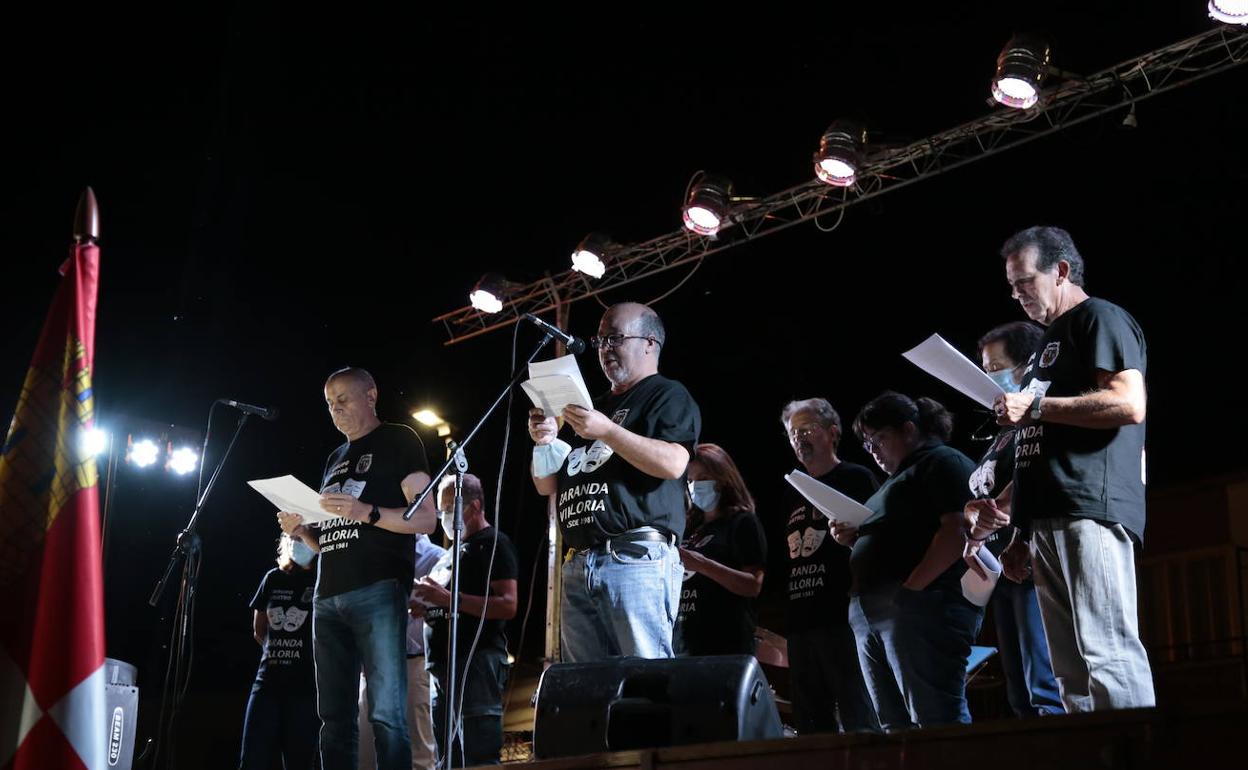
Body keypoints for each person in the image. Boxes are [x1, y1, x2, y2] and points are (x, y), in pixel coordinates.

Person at [977, 225, 1154, 712]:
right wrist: (1017, 530)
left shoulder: (1100, 317)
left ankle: (1142, 752)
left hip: (1088, 508)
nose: (1016, 295)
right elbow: (1041, 446)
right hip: (1045, 523)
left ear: (1060, 271)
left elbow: (1128, 402)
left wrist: (1034, 408)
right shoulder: (1043, 348)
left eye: (1025, 282)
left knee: (1107, 656)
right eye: (1011, 286)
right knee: (1070, 672)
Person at [278, 366, 437, 770]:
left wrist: (366, 511)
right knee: (333, 718)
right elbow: (328, 543)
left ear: (371, 395)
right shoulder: (334, 458)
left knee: (385, 713)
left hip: (378, 588)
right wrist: (301, 532)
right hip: (327, 596)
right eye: (330, 404)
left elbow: (425, 520)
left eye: (343, 400)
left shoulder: (400, 439)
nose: (336, 410)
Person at [528, 302, 700, 661]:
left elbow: (673, 463)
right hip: (578, 563)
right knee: (589, 690)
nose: (604, 348)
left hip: (635, 556)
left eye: (615, 338)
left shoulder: (666, 394)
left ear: (650, 343)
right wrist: (545, 442)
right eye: (600, 340)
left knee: (644, 680)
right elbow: (548, 486)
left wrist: (607, 431)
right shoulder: (593, 406)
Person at [843, 392, 981, 730]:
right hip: (878, 613)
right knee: (894, 726)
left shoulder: (942, 461)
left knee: (936, 721)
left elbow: (958, 531)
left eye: (879, 438)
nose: (873, 449)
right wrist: (854, 540)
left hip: (920, 607)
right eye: (867, 443)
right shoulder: (892, 483)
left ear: (908, 429)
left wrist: (910, 591)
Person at [968, 322, 1063, 718]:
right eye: (984, 369)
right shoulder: (1000, 433)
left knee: (1043, 680)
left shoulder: (1038, 420)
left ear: (1026, 364)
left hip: (1028, 557)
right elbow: (976, 497)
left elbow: (1035, 477)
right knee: (1018, 689)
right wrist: (974, 513)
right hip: (996, 569)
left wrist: (1006, 517)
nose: (989, 378)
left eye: (995, 367)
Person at [778, 398, 880, 734]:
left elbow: (881, 537)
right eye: (793, 434)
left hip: (844, 618)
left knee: (858, 714)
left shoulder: (856, 477)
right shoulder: (794, 491)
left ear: (833, 433)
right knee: (811, 724)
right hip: (802, 622)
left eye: (807, 430)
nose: (799, 439)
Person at [412, 473, 518, 768]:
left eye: (448, 509)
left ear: (472, 507)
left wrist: (448, 599)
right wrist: (425, 604)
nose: (444, 517)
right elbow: (442, 598)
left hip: (477, 665)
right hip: (442, 669)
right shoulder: (449, 555)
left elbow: (508, 605)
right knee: (447, 758)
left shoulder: (493, 543)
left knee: (478, 754)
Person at [358, 533, 445, 770]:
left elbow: (443, 611)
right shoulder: (375, 555)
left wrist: (426, 605)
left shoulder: (438, 557)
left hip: (415, 662)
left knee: (419, 751)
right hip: (375, 663)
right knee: (365, 748)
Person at [674, 443, 767, 657]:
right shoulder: (687, 529)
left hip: (724, 644)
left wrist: (702, 564)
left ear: (723, 479)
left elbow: (753, 585)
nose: (696, 486)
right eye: (690, 480)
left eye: (704, 478)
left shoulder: (742, 523)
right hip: (683, 644)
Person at [238, 534, 319, 770]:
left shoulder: (322, 579)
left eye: (302, 536)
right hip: (267, 685)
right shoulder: (272, 578)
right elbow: (259, 630)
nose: (297, 542)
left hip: (306, 688)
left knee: (299, 762)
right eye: (293, 537)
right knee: (252, 758)